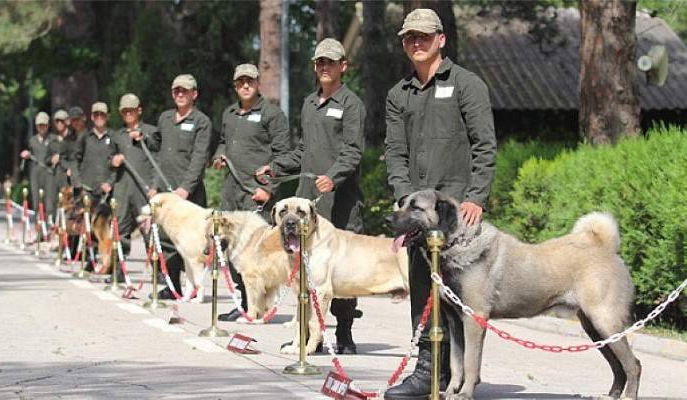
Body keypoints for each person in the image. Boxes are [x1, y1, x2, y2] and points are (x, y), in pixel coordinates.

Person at [383, 9, 497, 400]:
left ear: (441, 39)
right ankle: (427, 371)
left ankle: (463, 374)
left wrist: (477, 198)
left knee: (462, 297)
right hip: (419, 214)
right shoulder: (398, 95)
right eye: (409, 37)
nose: (417, 43)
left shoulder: (467, 85)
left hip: (457, 218)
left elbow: (485, 146)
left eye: (424, 36)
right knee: (423, 289)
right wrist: (404, 197)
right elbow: (394, 152)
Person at [256, 38, 365, 354]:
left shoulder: (352, 104)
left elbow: (353, 151)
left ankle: (344, 334)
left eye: (330, 62)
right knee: (302, 272)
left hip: (340, 202)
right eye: (320, 62)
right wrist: (275, 167)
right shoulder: (307, 104)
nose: (325, 67)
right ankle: (305, 336)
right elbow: (303, 150)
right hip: (306, 205)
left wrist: (334, 176)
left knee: (339, 273)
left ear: (343, 66)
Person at [211, 63, 291, 321]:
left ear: (258, 84)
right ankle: (244, 303)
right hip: (231, 193)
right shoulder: (230, 113)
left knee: (257, 253)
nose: (245, 85)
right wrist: (219, 156)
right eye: (240, 82)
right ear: (235, 86)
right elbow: (223, 142)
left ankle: (258, 304)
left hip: (256, 195)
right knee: (233, 251)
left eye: (250, 81)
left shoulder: (272, 114)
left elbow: (283, 155)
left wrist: (268, 189)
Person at [149, 74, 212, 300]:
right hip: (165, 195)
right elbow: (158, 153)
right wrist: (155, 185)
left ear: (194, 94)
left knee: (192, 245)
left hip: (189, 196)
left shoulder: (202, 122)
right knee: (166, 242)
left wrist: (186, 188)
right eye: (176, 90)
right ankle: (172, 286)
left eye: (185, 90)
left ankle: (195, 287)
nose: (180, 94)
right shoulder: (165, 118)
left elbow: (199, 158)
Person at [109, 93, 161, 281]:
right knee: (120, 230)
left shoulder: (151, 131)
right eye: (125, 111)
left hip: (144, 189)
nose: (128, 114)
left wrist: (156, 186)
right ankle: (118, 270)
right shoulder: (117, 136)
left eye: (131, 110)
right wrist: (113, 161)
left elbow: (159, 157)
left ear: (139, 110)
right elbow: (109, 159)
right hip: (123, 189)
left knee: (150, 231)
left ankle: (160, 272)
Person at [72, 102, 116, 200]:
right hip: (87, 191)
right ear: (92, 117)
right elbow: (75, 160)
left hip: (107, 192)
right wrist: (78, 183)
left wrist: (111, 183)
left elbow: (118, 165)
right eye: (96, 115)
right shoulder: (84, 137)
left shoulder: (114, 137)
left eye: (102, 114)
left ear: (107, 116)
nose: (99, 117)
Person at [20, 111, 55, 220]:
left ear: (48, 125)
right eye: (40, 125)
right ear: (36, 126)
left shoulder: (54, 139)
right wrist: (25, 155)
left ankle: (50, 229)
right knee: (36, 201)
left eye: (44, 124)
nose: (42, 127)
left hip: (49, 174)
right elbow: (26, 155)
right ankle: (39, 229)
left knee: (50, 202)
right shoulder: (32, 140)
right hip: (36, 174)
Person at [46, 109, 75, 218]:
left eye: (61, 121)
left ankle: (67, 232)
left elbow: (75, 158)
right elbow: (46, 159)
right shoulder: (52, 141)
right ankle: (53, 230)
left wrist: (66, 164)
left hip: (67, 178)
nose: (59, 124)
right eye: (57, 121)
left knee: (68, 205)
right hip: (55, 177)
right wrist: (51, 159)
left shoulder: (73, 139)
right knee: (52, 205)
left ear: (67, 122)